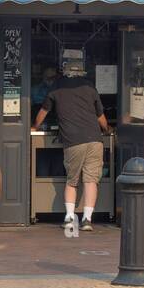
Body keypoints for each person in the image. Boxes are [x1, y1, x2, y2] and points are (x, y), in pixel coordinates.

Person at [32, 61, 109, 232]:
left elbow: (43, 112)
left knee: (72, 180)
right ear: (81, 72)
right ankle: (87, 220)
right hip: (95, 139)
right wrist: (108, 129)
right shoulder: (89, 87)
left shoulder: (56, 88)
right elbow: (100, 116)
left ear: (64, 73)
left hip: (73, 141)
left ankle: (69, 218)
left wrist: (34, 128)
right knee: (91, 181)